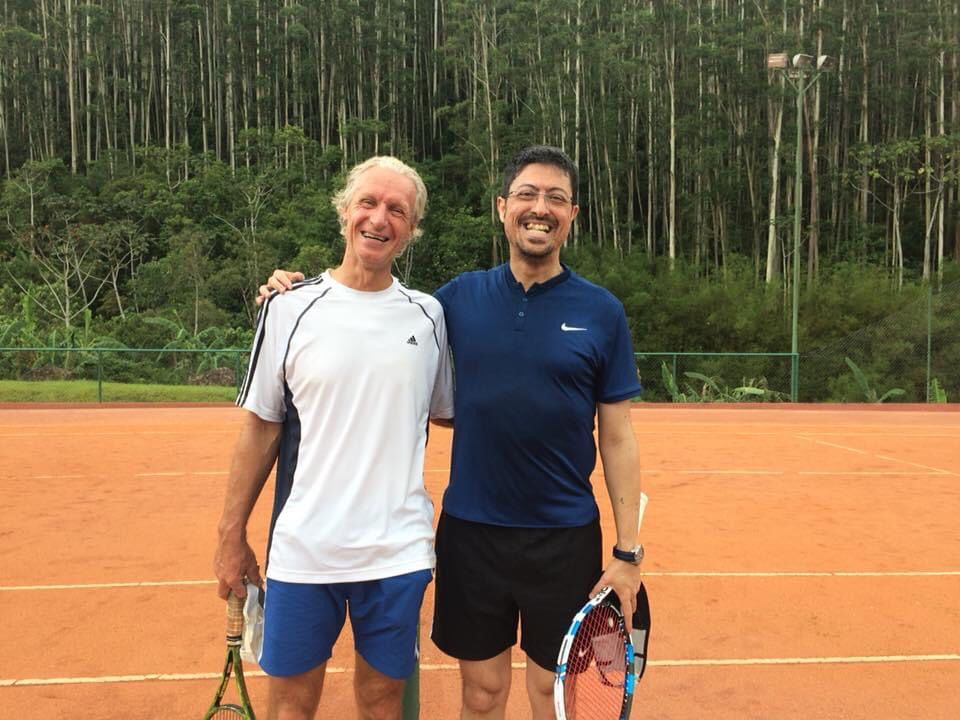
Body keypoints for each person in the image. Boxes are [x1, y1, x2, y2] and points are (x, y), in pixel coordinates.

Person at [260, 145, 644, 720]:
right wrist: (289, 292)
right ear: (502, 208)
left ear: (573, 215)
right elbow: (381, 329)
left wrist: (628, 552)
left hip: (564, 539)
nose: (540, 209)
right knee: (483, 696)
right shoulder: (453, 303)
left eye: (555, 199)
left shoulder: (601, 311)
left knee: (552, 696)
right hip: (472, 535)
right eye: (527, 195)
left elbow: (616, 436)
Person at [216, 155, 454, 720]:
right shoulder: (288, 308)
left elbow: (448, 413)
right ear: (344, 211)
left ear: (411, 229)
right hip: (305, 550)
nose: (379, 218)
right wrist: (231, 536)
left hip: (398, 551)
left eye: (397, 210)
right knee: (293, 705)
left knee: (380, 701)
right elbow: (260, 429)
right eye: (368, 202)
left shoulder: (429, 316)